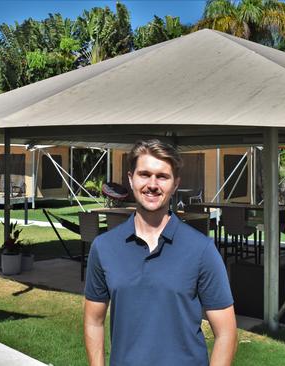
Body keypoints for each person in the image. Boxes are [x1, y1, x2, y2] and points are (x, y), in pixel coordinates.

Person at [84, 139, 237, 366]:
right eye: (144, 174)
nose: (152, 184)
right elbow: (93, 322)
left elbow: (226, 333)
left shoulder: (201, 250)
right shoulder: (104, 247)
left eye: (162, 176)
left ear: (175, 184)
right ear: (130, 179)